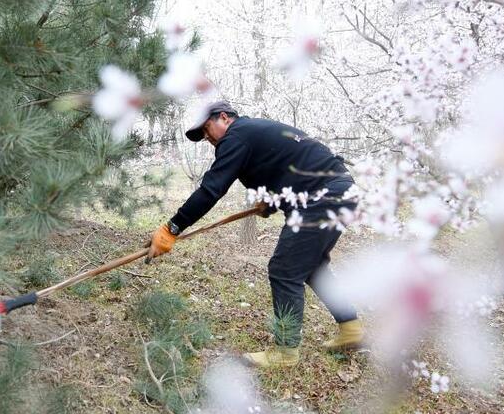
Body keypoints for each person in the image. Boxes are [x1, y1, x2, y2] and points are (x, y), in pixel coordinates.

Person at [147, 101, 363, 368]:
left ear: (224, 118)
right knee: (312, 267)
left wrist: (173, 228)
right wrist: (272, 202)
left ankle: (284, 352)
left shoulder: (237, 135)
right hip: (339, 191)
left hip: (323, 196)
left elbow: (211, 189)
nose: (208, 139)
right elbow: (287, 169)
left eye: (206, 130)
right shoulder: (252, 133)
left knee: (284, 270)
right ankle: (351, 327)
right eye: (202, 136)